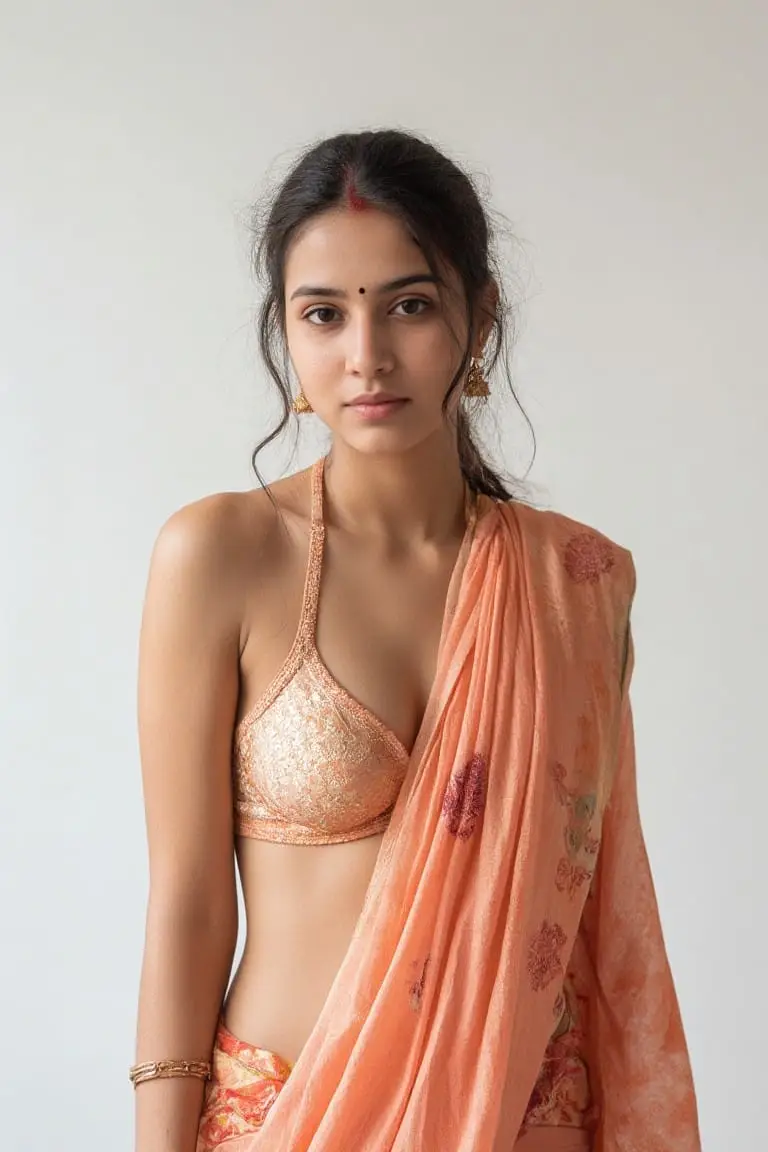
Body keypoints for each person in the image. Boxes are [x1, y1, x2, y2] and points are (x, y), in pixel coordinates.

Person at [131, 129, 700, 1152]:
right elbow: (186, 903)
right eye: (325, 314)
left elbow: (588, 924)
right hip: (291, 1119)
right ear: (288, 335)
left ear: (479, 318)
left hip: (522, 1123)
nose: (368, 356)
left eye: (410, 304)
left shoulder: (576, 585)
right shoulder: (221, 555)